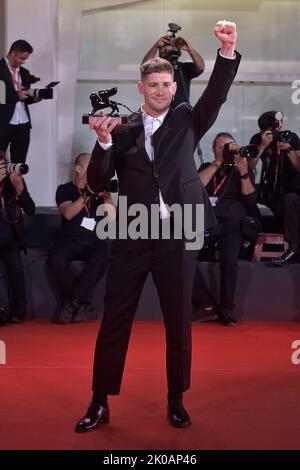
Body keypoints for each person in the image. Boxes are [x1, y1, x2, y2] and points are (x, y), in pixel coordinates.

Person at [75, 21, 240, 432]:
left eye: (167, 84)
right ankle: (99, 401)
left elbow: (217, 92)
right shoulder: (122, 130)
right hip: (133, 233)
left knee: (178, 321)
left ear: (174, 86)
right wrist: (104, 145)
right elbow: (96, 182)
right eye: (154, 85)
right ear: (141, 88)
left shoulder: (188, 121)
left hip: (178, 234)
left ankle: (176, 399)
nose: (162, 90)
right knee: (115, 319)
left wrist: (227, 50)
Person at [193, 133, 260, 326]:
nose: (225, 150)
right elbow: (197, 187)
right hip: (206, 222)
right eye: (221, 146)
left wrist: (245, 173)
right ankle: (204, 305)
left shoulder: (242, 169)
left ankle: (226, 310)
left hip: (231, 224)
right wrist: (216, 163)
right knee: (183, 254)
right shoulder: (207, 167)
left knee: (229, 261)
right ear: (214, 149)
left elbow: (251, 199)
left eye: (229, 146)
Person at [47, 153, 111, 324]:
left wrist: (107, 198)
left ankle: (71, 302)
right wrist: (86, 194)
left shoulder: (99, 190)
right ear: (79, 169)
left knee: (102, 258)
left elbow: (111, 217)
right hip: (69, 240)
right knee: (55, 260)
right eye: (90, 166)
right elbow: (68, 213)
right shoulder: (64, 189)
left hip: (94, 241)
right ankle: (79, 302)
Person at [249, 111, 300, 265]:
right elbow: (250, 166)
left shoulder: (290, 137)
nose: (280, 129)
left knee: (288, 201)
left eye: (281, 124)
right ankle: (250, 232)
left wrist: (289, 151)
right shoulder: (258, 140)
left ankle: (292, 247)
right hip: (268, 188)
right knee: (247, 194)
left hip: (289, 188)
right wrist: (263, 146)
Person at [0, 150, 35, 323]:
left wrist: (20, 189)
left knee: (15, 269)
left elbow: (31, 210)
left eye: (2, 165)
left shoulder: (12, 182)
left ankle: (19, 311)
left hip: (9, 239)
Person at [0, 39, 39, 163]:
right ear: (13, 53)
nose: (23, 62)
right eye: (22, 58)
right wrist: (17, 96)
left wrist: (34, 98)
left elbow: (24, 98)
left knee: (19, 165)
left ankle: (16, 182)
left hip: (23, 123)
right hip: (3, 123)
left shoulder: (24, 72)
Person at [141, 33, 205, 108]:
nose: (168, 50)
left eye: (172, 48)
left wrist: (189, 49)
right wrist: (156, 46)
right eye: (164, 48)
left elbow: (200, 67)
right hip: (159, 112)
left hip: (181, 113)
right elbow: (144, 67)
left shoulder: (182, 68)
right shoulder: (155, 68)